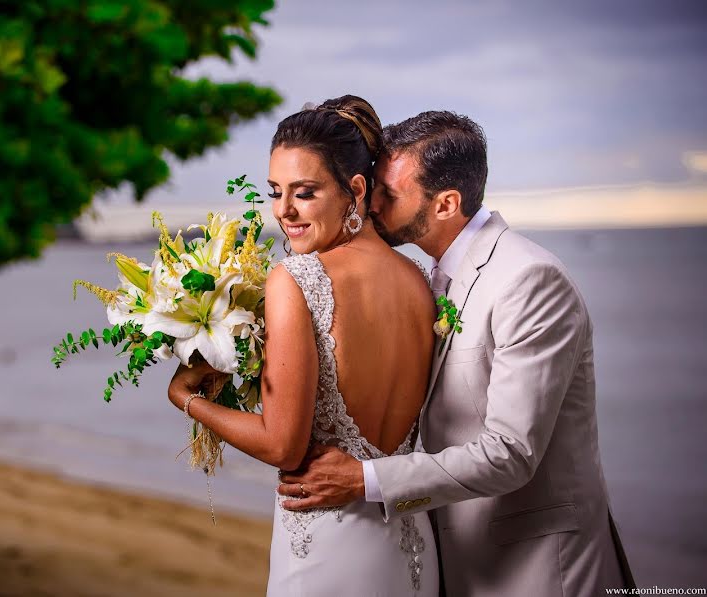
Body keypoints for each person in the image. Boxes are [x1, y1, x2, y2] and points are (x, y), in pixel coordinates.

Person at [277, 111, 637, 596]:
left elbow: (511, 453)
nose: (371, 204)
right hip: (446, 554)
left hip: (537, 568)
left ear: (445, 204)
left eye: (389, 194)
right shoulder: (425, 280)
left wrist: (365, 478)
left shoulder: (528, 280)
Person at [167, 96, 440, 597]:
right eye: (275, 192)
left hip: (328, 545)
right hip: (409, 545)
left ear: (355, 190)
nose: (283, 211)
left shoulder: (295, 278)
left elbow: (283, 446)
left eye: (305, 193)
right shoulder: (420, 281)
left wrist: (189, 400)